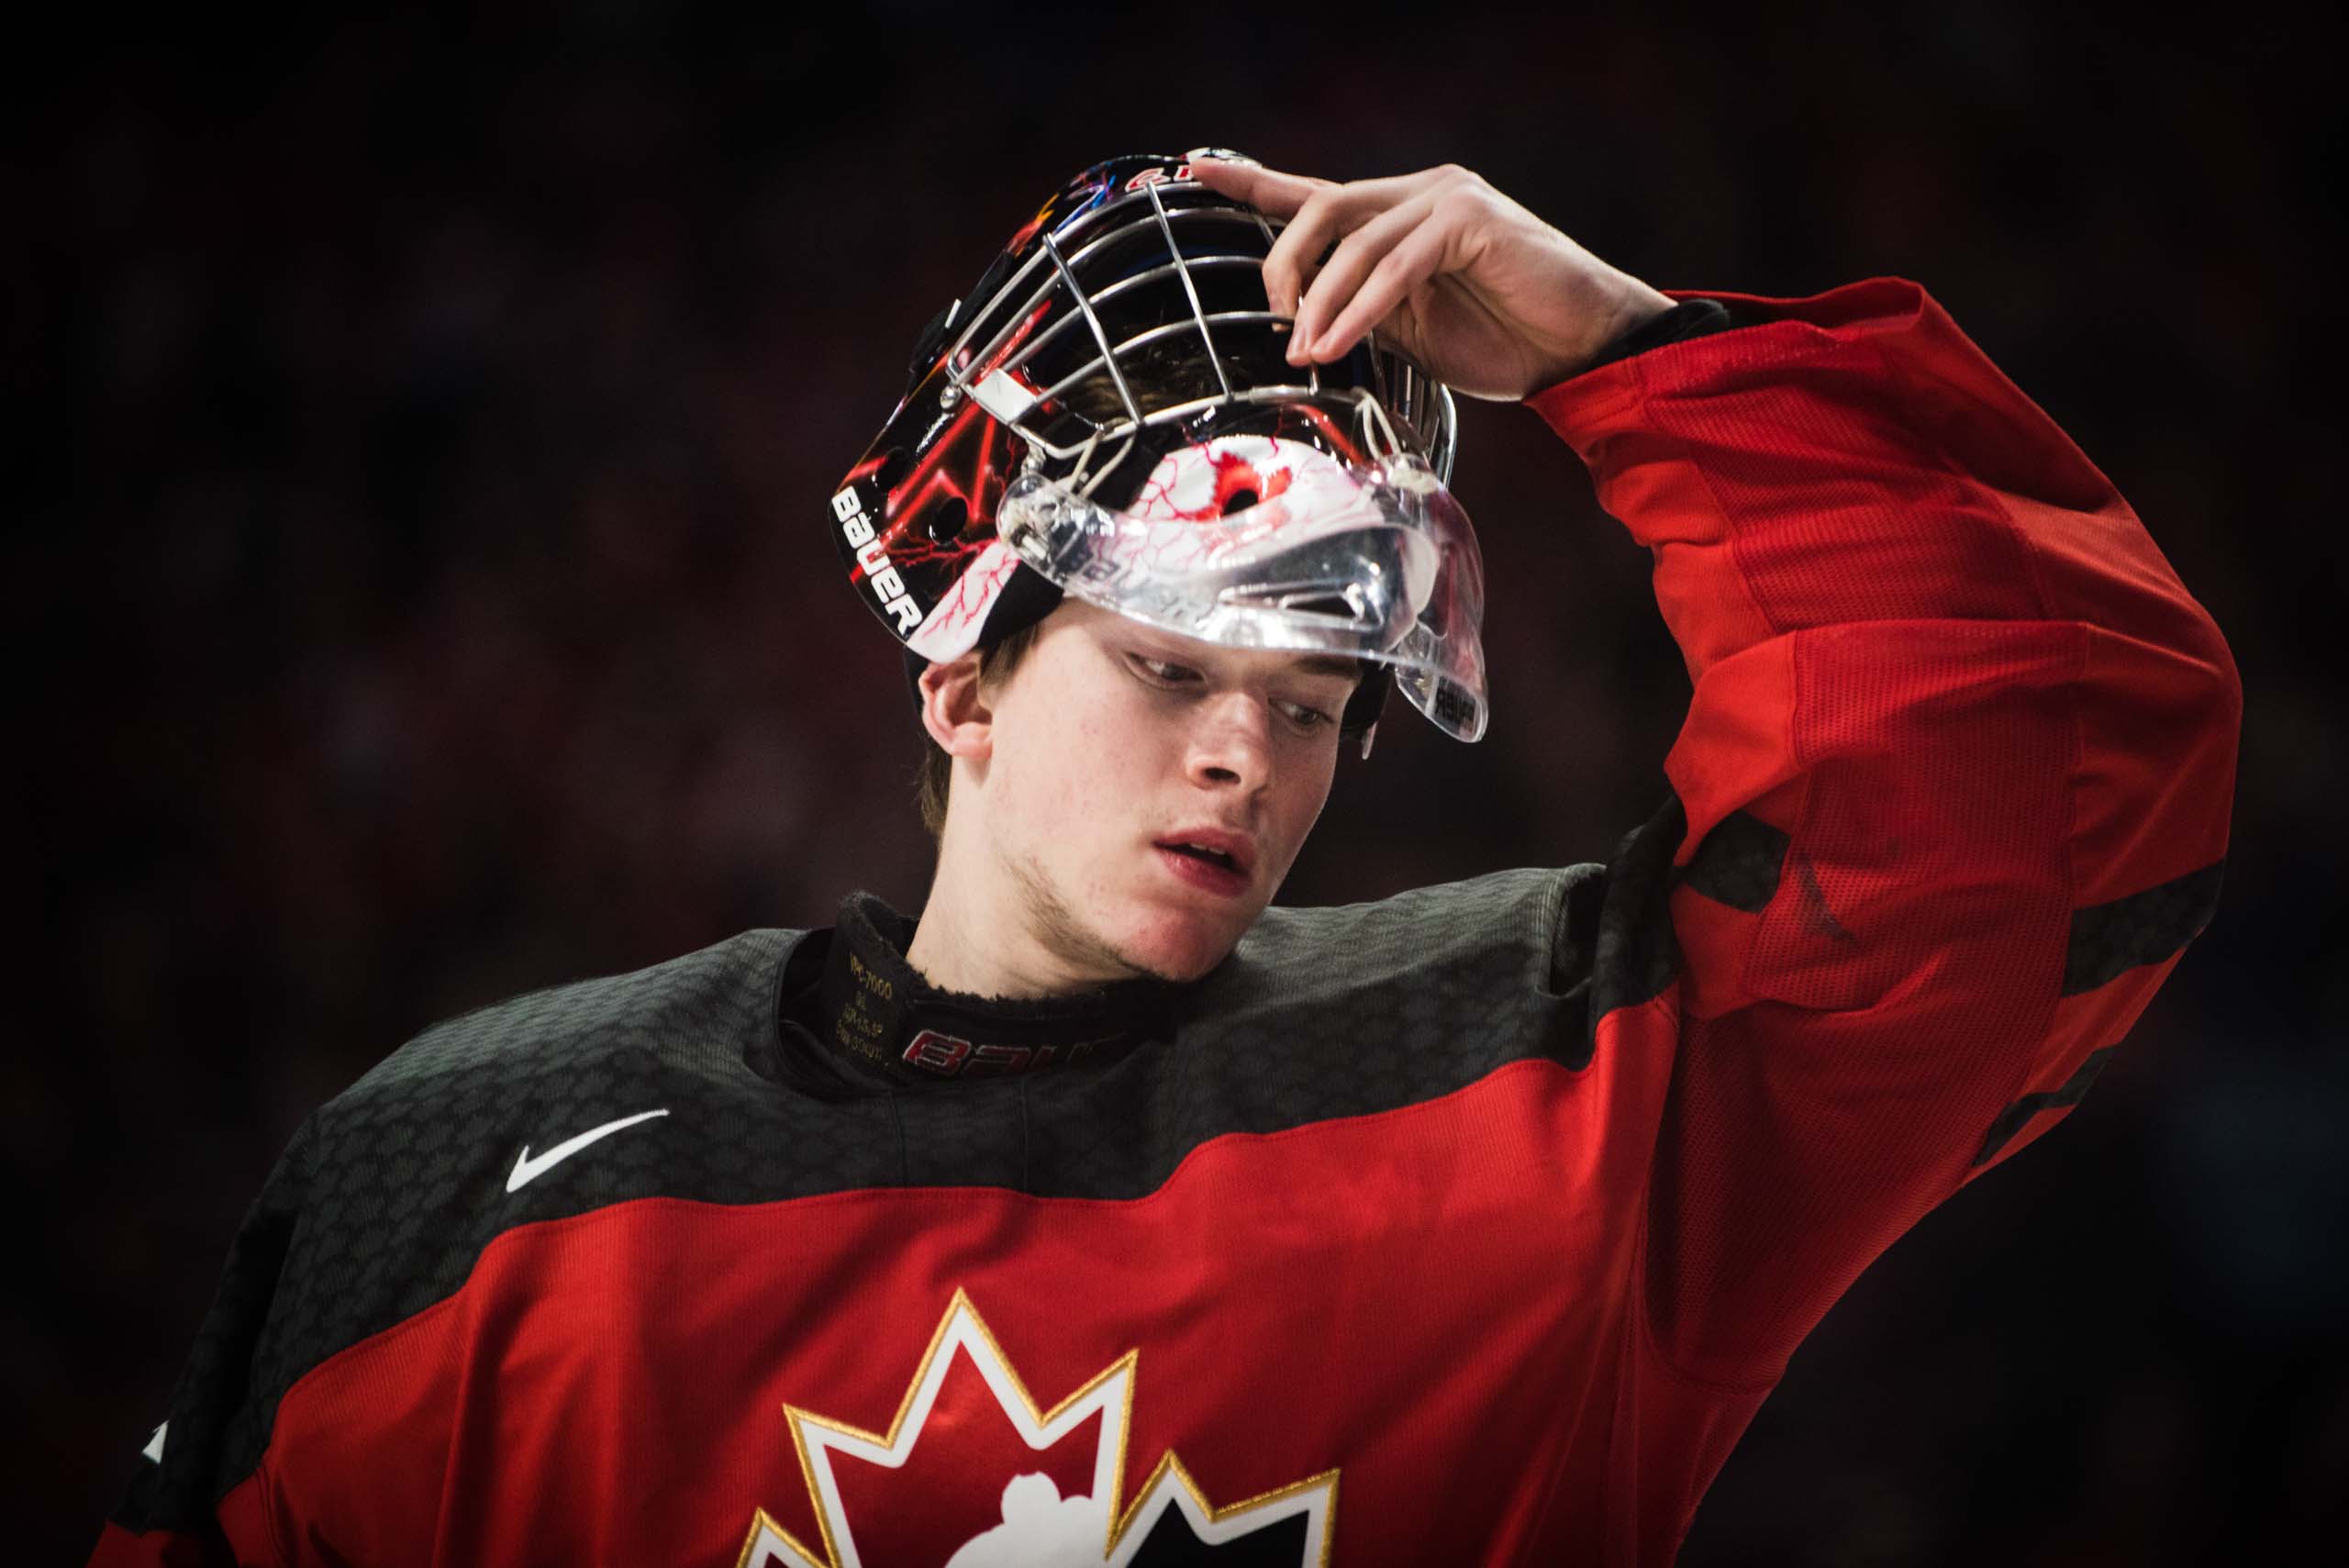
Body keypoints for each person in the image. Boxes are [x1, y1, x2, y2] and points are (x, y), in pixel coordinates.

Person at [91, 150, 2240, 1566]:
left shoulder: (1565, 1108)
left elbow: (2046, 798)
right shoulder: (455, 1183)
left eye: (1310, 705)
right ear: (958, 683)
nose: (1246, 761)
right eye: (1163, 668)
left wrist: (1618, 351)